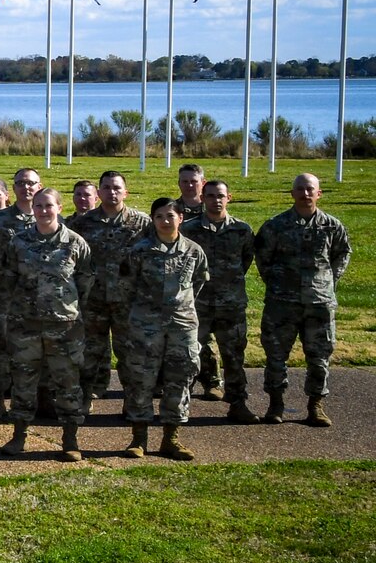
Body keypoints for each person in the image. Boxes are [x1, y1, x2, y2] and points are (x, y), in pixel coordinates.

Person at [0, 187, 93, 459]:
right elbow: (6, 280)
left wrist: (69, 311)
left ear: (59, 208)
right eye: (38, 206)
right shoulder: (19, 242)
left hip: (64, 328)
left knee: (67, 383)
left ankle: (70, 440)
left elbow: (85, 283)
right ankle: (19, 436)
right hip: (25, 326)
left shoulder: (75, 243)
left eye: (48, 205)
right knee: (23, 382)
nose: (43, 210)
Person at [252, 172, 352, 426]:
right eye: (300, 189)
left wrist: (328, 281)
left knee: (319, 358)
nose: (305, 194)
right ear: (292, 193)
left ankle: (316, 405)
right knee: (275, 356)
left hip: (319, 304)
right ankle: (276, 404)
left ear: (319, 193)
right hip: (281, 303)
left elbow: (342, 255)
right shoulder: (275, 226)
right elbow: (263, 258)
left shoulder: (332, 225)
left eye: (310, 189)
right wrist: (276, 283)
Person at [117, 198, 209, 460]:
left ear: (180, 218)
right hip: (145, 327)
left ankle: (171, 438)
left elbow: (198, 282)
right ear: (153, 220)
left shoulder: (193, 251)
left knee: (179, 380)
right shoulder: (139, 251)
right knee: (141, 380)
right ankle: (139, 439)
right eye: (159, 216)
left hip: (182, 327)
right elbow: (126, 288)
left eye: (170, 215)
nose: (165, 221)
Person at [68, 171, 149, 413]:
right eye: (106, 188)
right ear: (99, 192)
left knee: (130, 355)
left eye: (116, 188)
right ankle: (85, 399)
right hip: (93, 301)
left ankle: (132, 403)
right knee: (89, 353)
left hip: (129, 301)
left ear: (126, 192)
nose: (111, 192)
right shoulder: (81, 223)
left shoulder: (142, 223)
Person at [182, 179, 254, 420]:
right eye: (210, 196)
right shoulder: (188, 230)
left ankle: (238, 404)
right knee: (189, 355)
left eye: (220, 195)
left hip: (230, 305)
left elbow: (246, 261)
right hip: (197, 304)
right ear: (202, 199)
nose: (216, 200)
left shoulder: (242, 230)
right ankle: (180, 407)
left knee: (234, 357)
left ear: (229, 197)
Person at [0, 168, 39, 419]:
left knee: (35, 351)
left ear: (39, 185)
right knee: (0, 351)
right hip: (5, 298)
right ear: (13, 189)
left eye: (31, 183)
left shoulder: (48, 216)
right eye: (21, 183)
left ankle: (34, 400)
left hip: (37, 299)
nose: (26, 187)